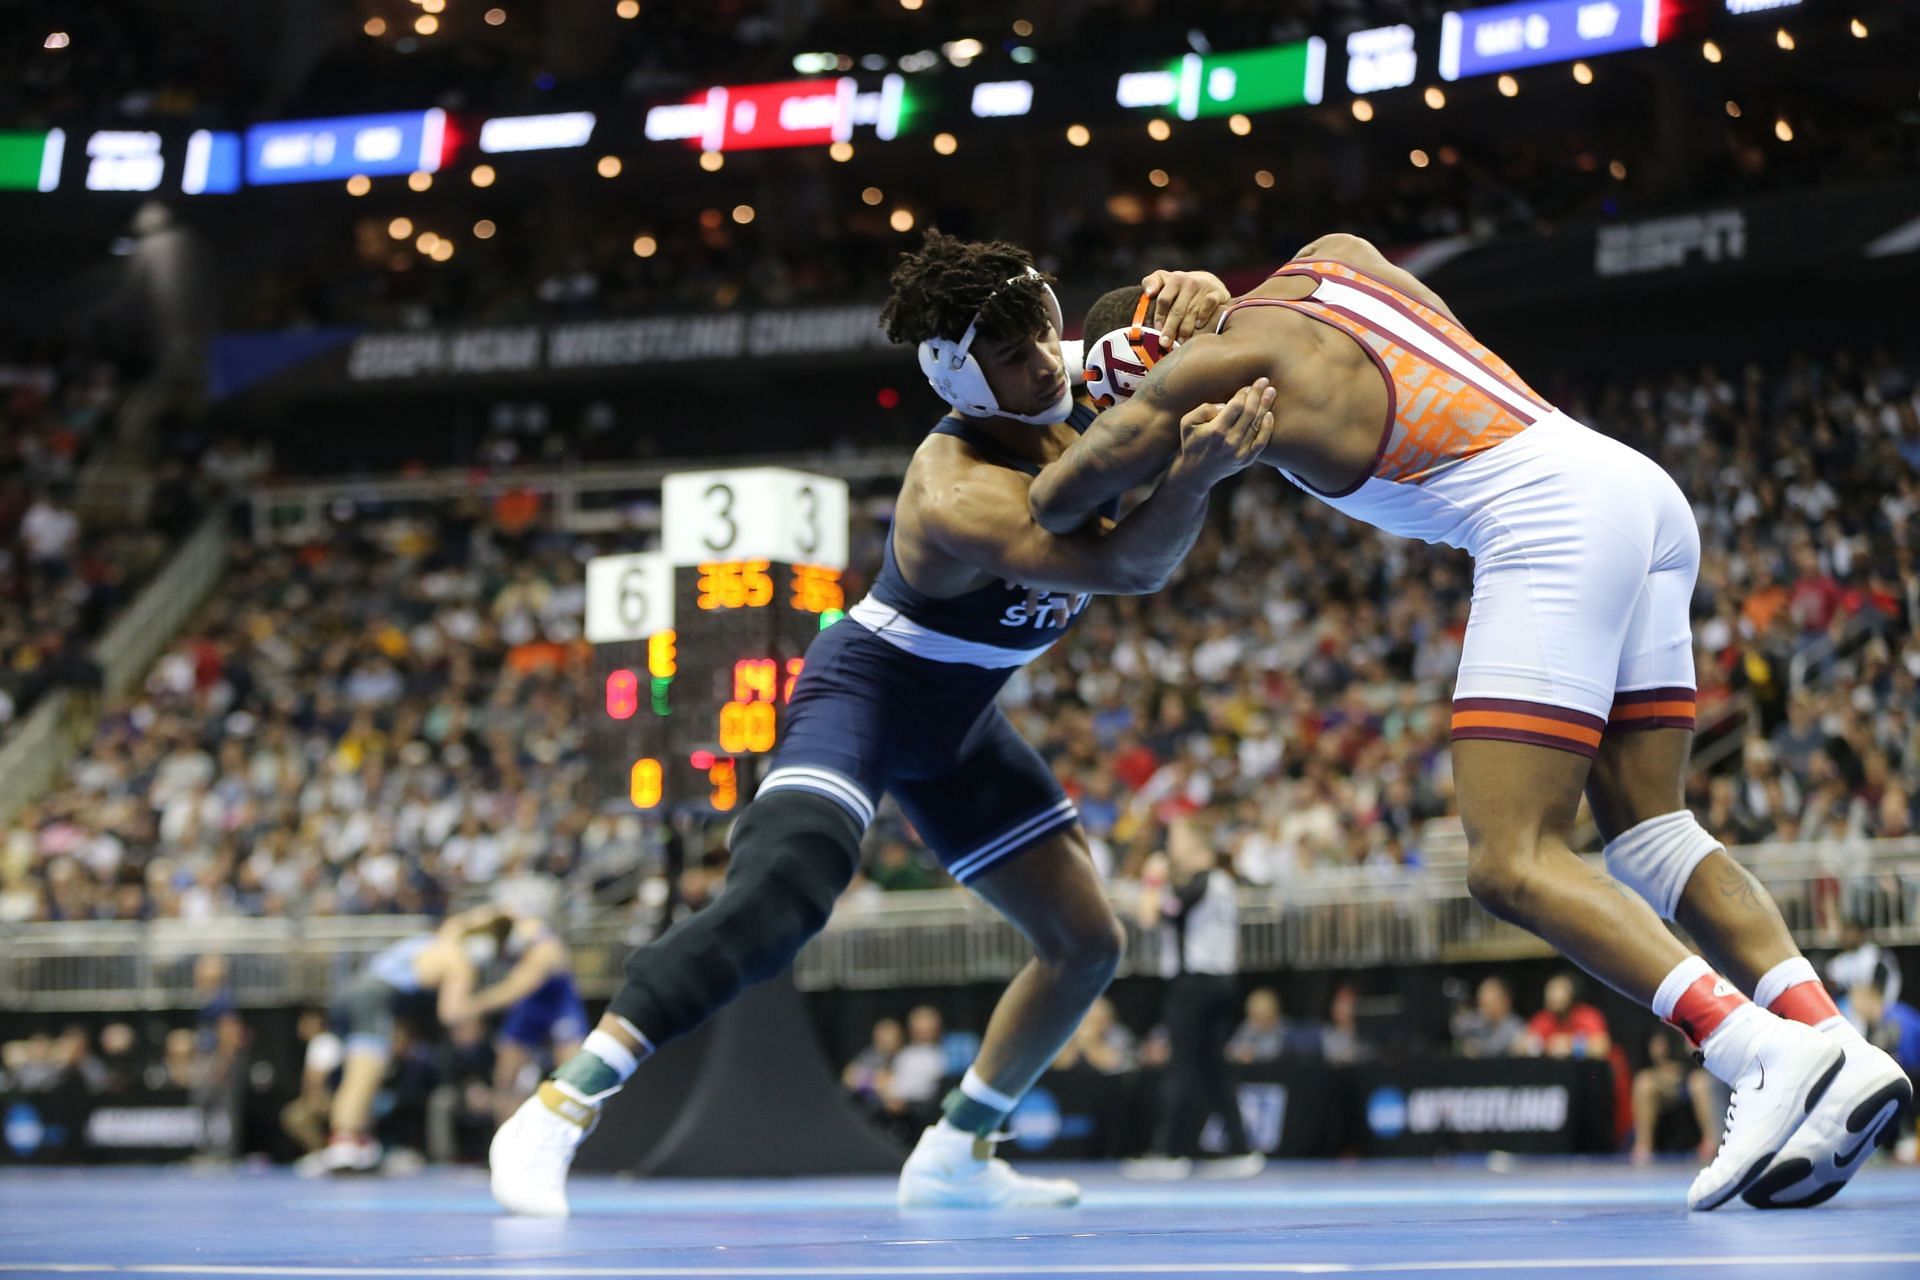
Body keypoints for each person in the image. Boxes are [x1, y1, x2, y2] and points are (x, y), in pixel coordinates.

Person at [1030, 233, 1912, 1210]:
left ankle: (1752, 1050)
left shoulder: (1212, 368)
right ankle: (1833, 1039)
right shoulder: (1335, 255)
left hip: (1547, 520)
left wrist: (1119, 400)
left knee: (1508, 859)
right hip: (1634, 487)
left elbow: (1066, 495)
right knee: (1654, 831)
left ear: (1137, 360)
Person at [489, 233, 1274, 1217]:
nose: (1044, 368)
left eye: (1045, 339)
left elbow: (1145, 334)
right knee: (785, 893)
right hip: (867, 693)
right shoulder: (955, 490)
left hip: (959, 715)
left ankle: (956, 1148)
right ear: (960, 379)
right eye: (1016, 361)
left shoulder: (1069, 368)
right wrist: (1193, 474)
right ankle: (561, 1103)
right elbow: (1128, 566)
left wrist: (1197, 309)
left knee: (1085, 940)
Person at [299, 906, 525, 1175]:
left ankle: (357, 1142)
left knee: (363, 1074)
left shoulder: (440, 939)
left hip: (354, 992)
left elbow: (461, 923)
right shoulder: (460, 960)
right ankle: (344, 1142)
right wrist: (488, 1003)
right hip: (375, 999)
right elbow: (451, 1012)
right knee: (362, 1077)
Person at [1133, 817, 1261, 1177]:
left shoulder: (1202, 883)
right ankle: (1240, 1149)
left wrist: (1153, 879)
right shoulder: (1221, 883)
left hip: (1194, 984)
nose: (1170, 847)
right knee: (1214, 1068)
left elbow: (1149, 916)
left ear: (1194, 845)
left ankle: (1170, 1152)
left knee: (1183, 1065)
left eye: (1175, 838)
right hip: (1221, 982)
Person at [1632, 1028, 1721, 1165]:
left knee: (1698, 1084)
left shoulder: (1695, 1020)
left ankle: (1710, 1144)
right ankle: (1644, 1146)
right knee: (1644, 1083)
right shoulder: (1662, 1020)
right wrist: (1664, 1064)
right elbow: (1656, 1052)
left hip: (1697, 1072)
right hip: (1668, 1075)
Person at [1524, 973, 1612, 1060]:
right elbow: (1521, 1047)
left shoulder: (1586, 1015)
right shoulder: (1542, 1018)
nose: (1552, 996)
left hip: (1584, 1071)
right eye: (1549, 991)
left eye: (1559, 990)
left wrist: (1571, 1046)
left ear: (1571, 994)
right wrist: (1544, 1046)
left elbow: (1602, 1048)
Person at [1453, 976, 1525, 1059]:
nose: (1484, 1008)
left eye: (1490, 1003)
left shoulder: (1515, 1026)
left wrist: (1478, 1048)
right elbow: (1457, 1030)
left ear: (1505, 1001)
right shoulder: (1475, 1021)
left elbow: (1509, 1045)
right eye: (1482, 1003)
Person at [1227, 989, 1288, 1065]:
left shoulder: (1281, 1028)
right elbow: (1230, 1048)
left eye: (1265, 1018)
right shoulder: (1249, 1026)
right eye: (1256, 1017)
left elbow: (1275, 1049)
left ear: (1274, 1015)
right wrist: (1239, 1052)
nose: (1260, 1023)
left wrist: (1254, 1053)